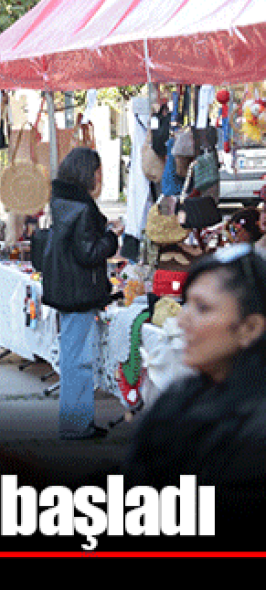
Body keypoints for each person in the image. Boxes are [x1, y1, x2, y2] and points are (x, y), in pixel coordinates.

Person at [121, 245, 266, 513]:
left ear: (250, 327)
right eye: (186, 303)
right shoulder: (182, 396)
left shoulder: (255, 431)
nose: (182, 320)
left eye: (202, 308)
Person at [40, 147, 121, 440]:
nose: (100, 177)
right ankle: (76, 425)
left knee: (72, 357)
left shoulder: (62, 202)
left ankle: (76, 421)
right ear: (88, 172)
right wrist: (111, 237)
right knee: (78, 360)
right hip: (80, 290)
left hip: (66, 289)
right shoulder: (83, 208)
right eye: (98, 171)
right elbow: (89, 253)